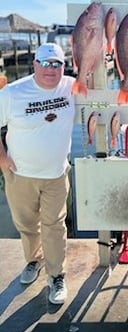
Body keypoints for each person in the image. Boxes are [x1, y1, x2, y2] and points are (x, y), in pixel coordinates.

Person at [0, 43, 76, 304]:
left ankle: (56, 275)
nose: (50, 69)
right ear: (34, 64)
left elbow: (98, 102)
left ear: (63, 67)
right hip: (20, 174)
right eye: (44, 63)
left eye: (56, 63)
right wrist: (1, 158)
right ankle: (34, 260)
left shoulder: (71, 87)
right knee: (26, 224)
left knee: (54, 225)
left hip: (56, 174)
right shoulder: (12, 92)